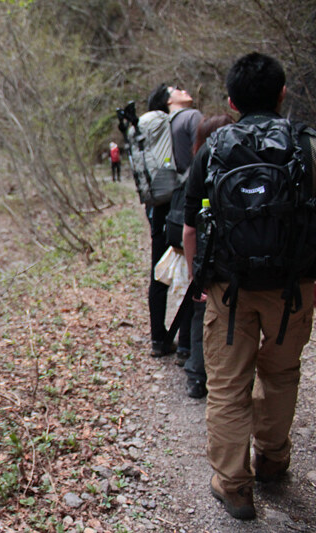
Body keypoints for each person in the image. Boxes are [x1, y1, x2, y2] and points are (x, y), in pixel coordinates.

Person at [182, 52, 316, 520]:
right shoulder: (306, 144)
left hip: (228, 289)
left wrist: (197, 278)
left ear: (231, 100)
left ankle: (235, 487)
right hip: (295, 288)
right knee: (281, 375)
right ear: (283, 93)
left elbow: (190, 226)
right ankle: (273, 461)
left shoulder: (215, 147)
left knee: (226, 385)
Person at [143, 83, 201, 357]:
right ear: (168, 101)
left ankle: (159, 338)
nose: (183, 89)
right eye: (176, 88)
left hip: (161, 206)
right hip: (185, 204)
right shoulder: (191, 118)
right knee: (193, 269)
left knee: (159, 270)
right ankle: (186, 346)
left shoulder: (160, 128)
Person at [182, 114, 234, 399]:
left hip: (211, 258)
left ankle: (197, 376)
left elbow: (190, 228)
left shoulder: (204, 158)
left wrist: (193, 271)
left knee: (201, 313)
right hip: (247, 258)